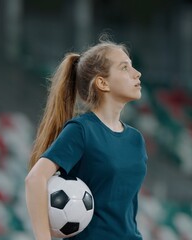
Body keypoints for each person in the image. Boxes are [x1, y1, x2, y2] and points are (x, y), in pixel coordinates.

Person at [25, 36, 147, 240]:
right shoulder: (82, 130)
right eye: (125, 68)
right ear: (102, 82)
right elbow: (35, 179)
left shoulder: (136, 139)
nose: (137, 74)